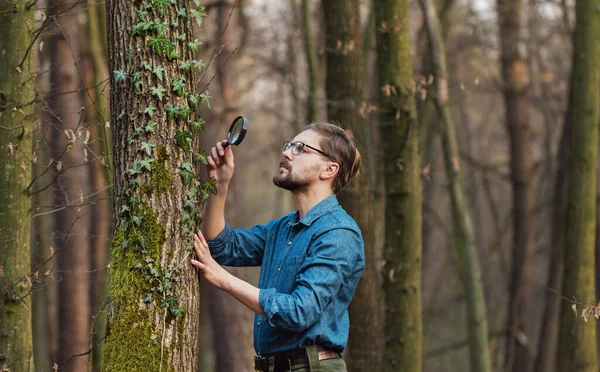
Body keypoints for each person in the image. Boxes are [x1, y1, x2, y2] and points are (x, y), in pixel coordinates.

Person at [190, 122, 365, 372]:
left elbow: (299, 310)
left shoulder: (338, 233)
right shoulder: (282, 228)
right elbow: (222, 246)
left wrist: (224, 280)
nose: (286, 153)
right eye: (289, 146)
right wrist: (219, 186)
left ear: (329, 169)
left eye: (300, 148)